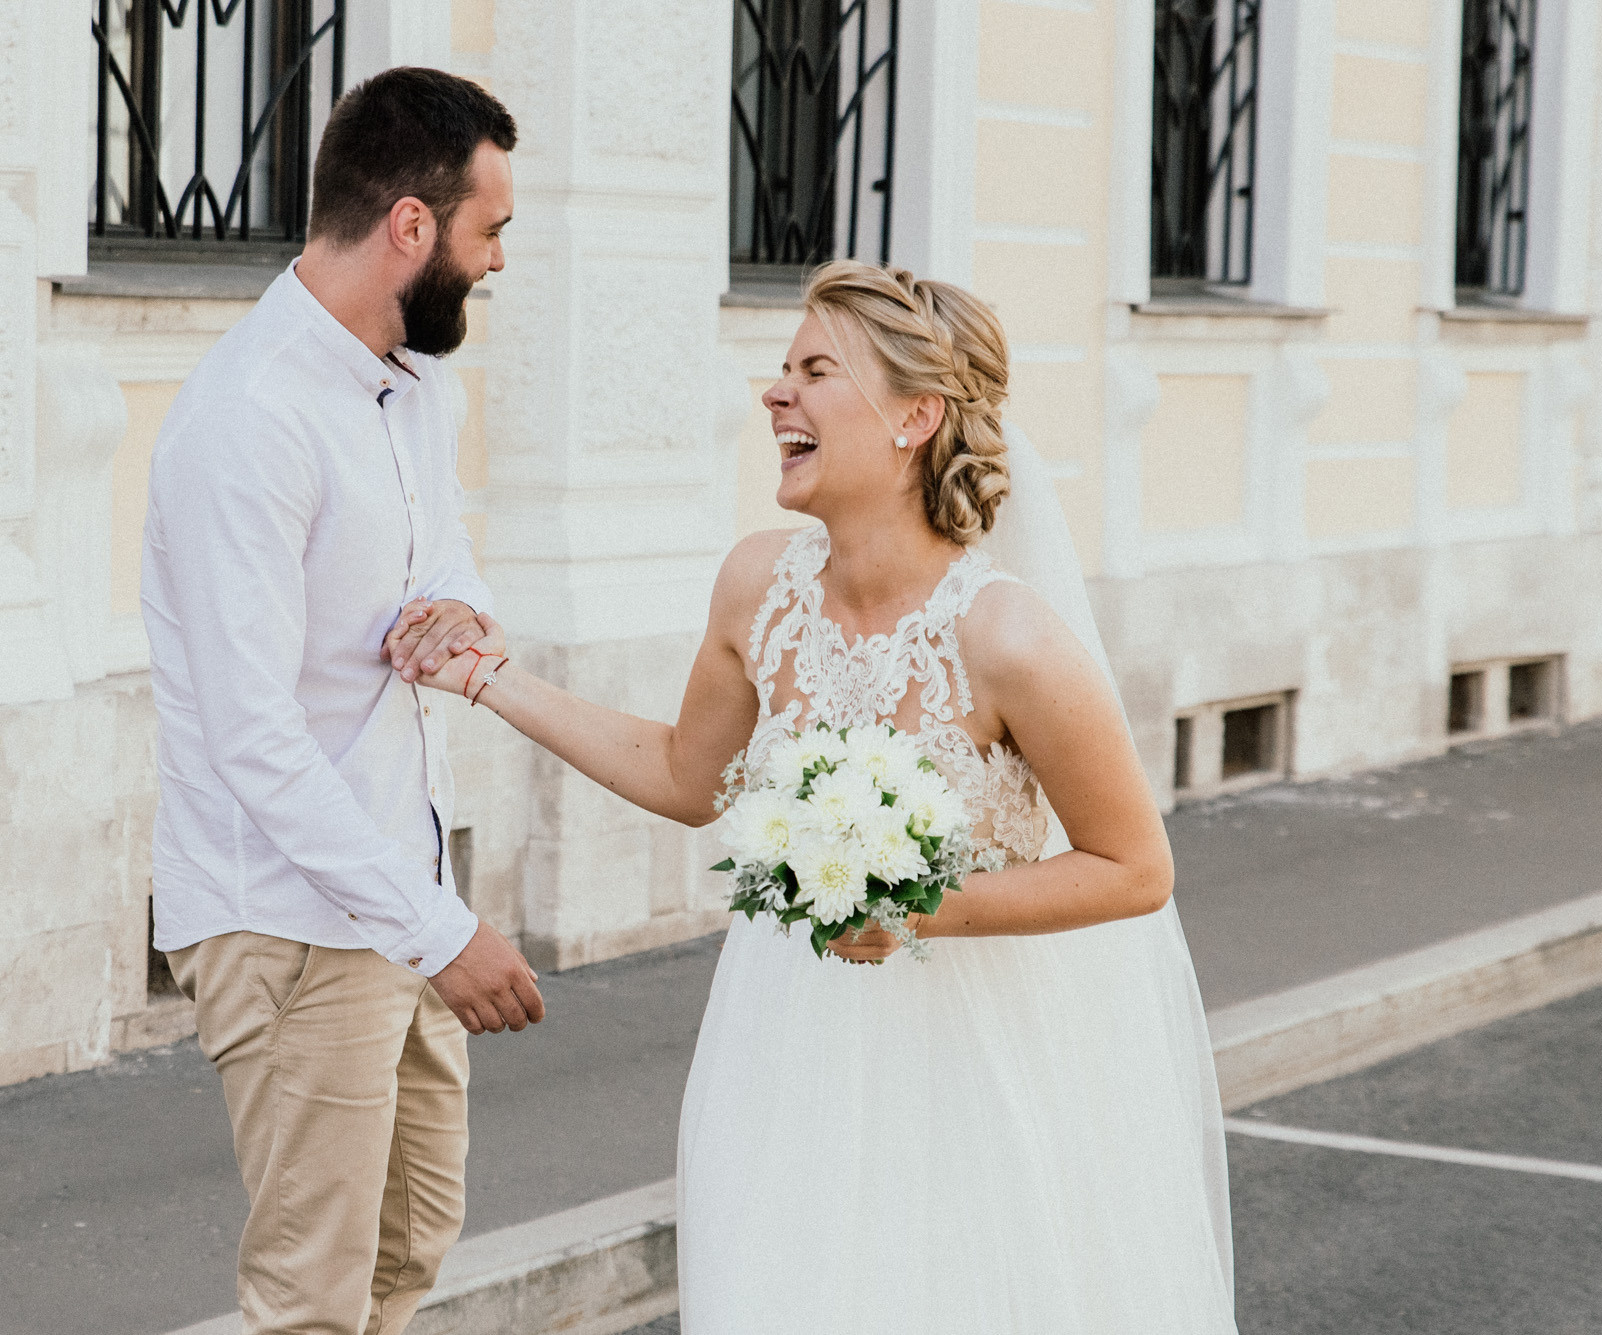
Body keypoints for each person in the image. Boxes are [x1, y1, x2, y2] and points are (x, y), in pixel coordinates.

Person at [397, 261, 1239, 1331]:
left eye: (813, 370)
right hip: (782, 1037)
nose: (774, 393)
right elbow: (680, 775)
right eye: (780, 368)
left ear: (914, 418)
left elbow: (1133, 869)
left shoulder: (1008, 637)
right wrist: (487, 679)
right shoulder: (759, 584)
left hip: (962, 1057)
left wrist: (911, 908)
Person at [141, 68, 546, 1335]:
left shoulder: (416, 384)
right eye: (489, 232)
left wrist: (464, 615)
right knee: (310, 1299)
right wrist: (440, 933)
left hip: (390, 891)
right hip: (289, 922)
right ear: (412, 228)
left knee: (409, 1250)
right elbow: (253, 738)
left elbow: (443, 563)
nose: (494, 264)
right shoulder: (250, 418)